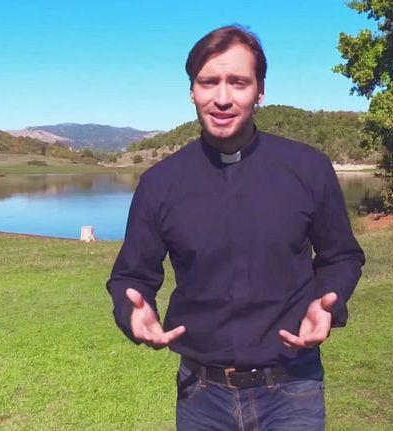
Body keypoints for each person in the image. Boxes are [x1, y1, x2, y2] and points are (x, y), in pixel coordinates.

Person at [107, 25, 365, 430]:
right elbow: (131, 275)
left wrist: (327, 300)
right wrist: (132, 311)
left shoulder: (308, 168)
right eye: (208, 82)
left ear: (260, 91)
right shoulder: (160, 183)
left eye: (238, 82)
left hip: (293, 388)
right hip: (201, 396)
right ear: (192, 91)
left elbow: (342, 256)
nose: (223, 98)